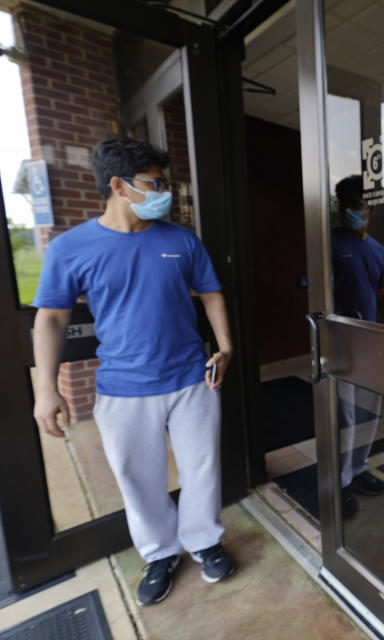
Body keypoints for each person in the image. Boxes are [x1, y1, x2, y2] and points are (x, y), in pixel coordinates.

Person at [31, 138, 234, 606]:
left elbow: (211, 293)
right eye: (155, 183)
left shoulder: (180, 239)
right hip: (123, 388)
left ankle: (204, 541)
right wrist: (46, 389)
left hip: (190, 379)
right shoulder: (71, 248)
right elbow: (51, 318)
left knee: (201, 469)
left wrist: (225, 346)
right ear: (119, 186)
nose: (164, 192)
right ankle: (160, 552)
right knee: (138, 477)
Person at [331, 175, 384, 514]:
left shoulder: (375, 250)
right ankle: (341, 482)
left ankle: (358, 470)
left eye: (355, 205)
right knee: (344, 416)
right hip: (341, 345)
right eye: (344, 205)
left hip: (371, 346)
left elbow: (382, 291)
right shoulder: (330, 244)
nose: (349, 212)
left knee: (367, 414)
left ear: (369, 210)